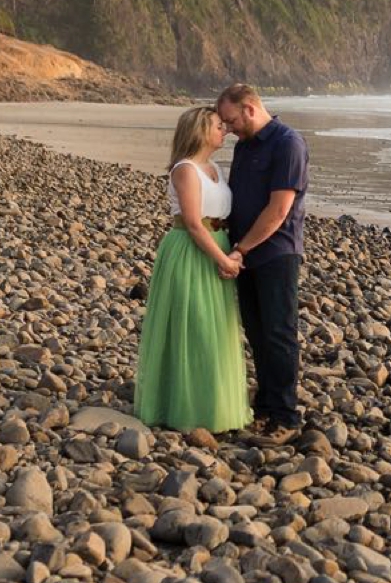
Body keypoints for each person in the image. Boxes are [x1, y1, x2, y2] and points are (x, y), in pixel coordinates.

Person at [132, 106, 252, 433]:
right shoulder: (186, 170)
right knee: (193, 324)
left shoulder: (213, 167)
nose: (224, 130)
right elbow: (194, 224)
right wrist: (223, 259)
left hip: (218, 244)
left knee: (216, 328)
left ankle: (210, 403)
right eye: (217, 125)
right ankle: (182, 405)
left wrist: (235, 252)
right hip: (191, 249)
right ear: (200, 131)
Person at [215, 82, 308, 437]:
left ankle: (285, 416)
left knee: (279, 333)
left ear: (250, 108)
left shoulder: (288, 143)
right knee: (256, 332)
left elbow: (279, 210)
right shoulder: (245, 146)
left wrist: (242, 249)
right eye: (224, 123)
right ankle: (266, 405)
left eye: (231, 120)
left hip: (276, 252)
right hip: (245, 252)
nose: (228, 128)